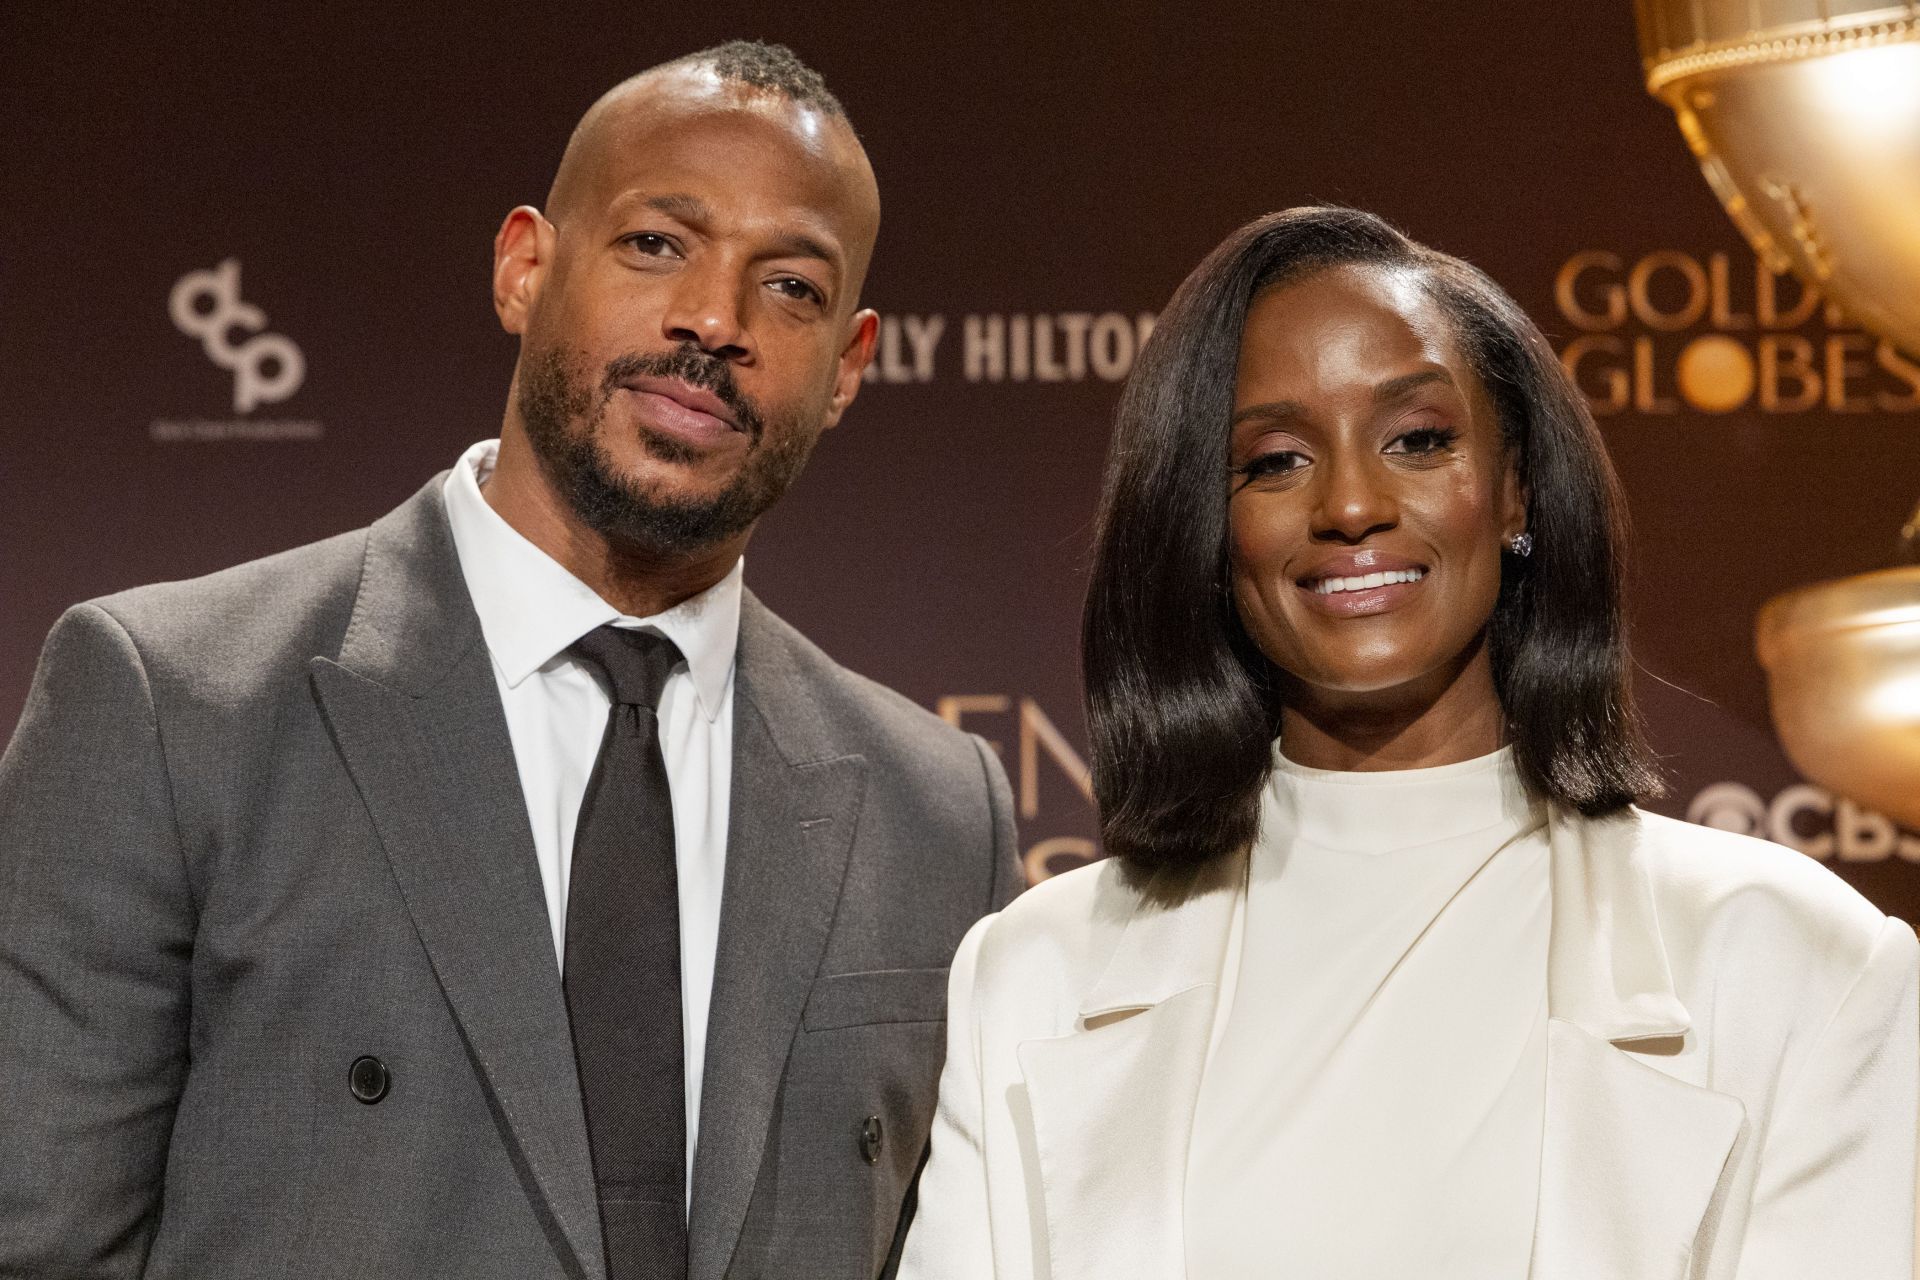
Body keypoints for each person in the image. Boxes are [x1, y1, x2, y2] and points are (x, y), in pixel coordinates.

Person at [0, 41, 1020, 1280]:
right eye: (658, 244)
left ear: (852, 367)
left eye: (791, 287)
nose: (716, 319)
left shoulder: (939, 815)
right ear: (525, 267)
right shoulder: (173, 705)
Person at [899, 206, 1917, 1279]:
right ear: (1208, 523)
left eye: (1418, 440)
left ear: (1516, 485)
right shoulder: (1033, 971)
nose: (1350, 503)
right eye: (1277, 460)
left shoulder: (1794, 961)